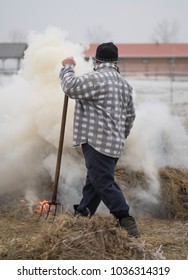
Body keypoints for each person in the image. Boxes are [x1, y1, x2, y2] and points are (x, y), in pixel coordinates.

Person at [59, 42, 139, 238]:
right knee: (94, 180)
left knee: (102, 182)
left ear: (97, 61)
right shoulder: (125, 85)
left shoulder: (96, 79)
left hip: (96, 142)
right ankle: (82, 214)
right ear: (116, 61)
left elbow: (69, 87)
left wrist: (68, 67)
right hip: (115, 143)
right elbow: (130, 116)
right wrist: (122, 135)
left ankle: (126, 220)